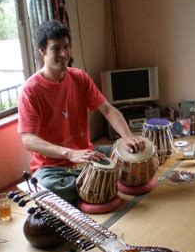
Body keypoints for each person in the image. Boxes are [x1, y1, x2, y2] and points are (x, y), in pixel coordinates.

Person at [18, 20, 144, 205]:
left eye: (67, 47)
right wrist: (69, 154)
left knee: (133, 152)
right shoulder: (30, 90)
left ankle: (95, 183)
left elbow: (107, 109)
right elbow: (28, 140)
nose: (63, 54)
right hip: (52, 168)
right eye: (56, 48)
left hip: (88, 155)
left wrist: (127, 136)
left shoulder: (79, 78)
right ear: (42, 51)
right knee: (48, 188)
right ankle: (100, 182)